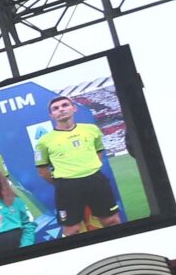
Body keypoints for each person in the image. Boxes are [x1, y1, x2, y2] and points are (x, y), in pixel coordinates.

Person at [34, 95, 121, 234]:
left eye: (65, 105)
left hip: (96, 181)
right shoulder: (44, 141)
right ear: (51, 115)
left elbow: (99, 151)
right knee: (72, 230)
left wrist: (89, 168)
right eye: (55, 108)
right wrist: (63, 183)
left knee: (112, 221)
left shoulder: (91, 130)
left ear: (74, 108)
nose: (61, 110)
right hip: (68, 187)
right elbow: (42, 170)